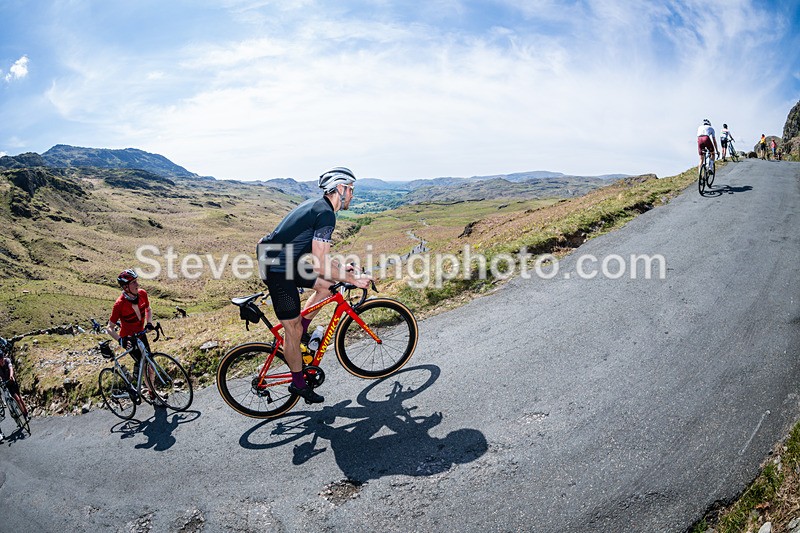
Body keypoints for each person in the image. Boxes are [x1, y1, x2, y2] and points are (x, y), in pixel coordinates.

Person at [258, 167, 373, 404]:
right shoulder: (325, 213)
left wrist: (341, 273)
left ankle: (301, 335)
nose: (352, 195)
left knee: (327, 284)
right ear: (340, 189)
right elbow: (320, 263)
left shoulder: (319, 208)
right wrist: (351, 278)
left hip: (286, 262)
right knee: (292, 329)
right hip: (278, 269)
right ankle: (298, 384)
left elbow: (321, 260)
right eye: (351, 190)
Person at [106, 269, 157, 399]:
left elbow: (148, 309)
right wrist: (120, 340)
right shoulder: (119, 304)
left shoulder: (142, 294)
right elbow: (109, 328)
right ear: (125, 287)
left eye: (136, 281)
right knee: (146, 366)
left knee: (150, 365)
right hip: (129, 339)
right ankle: (152, 395)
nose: (137, 284)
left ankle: (146, 384)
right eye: (133, 282)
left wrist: (149, 323)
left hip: (141, 334)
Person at [0, 337, 30, 439]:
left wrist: (11, 376)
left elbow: (11, 368)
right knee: (16, 398)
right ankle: (15, 410)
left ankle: (26, 414)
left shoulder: (7, 360)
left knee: (20, 398)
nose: (0, 361)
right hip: (6, 383)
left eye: (0, 359)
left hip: (12, 381)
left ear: (2, 358)